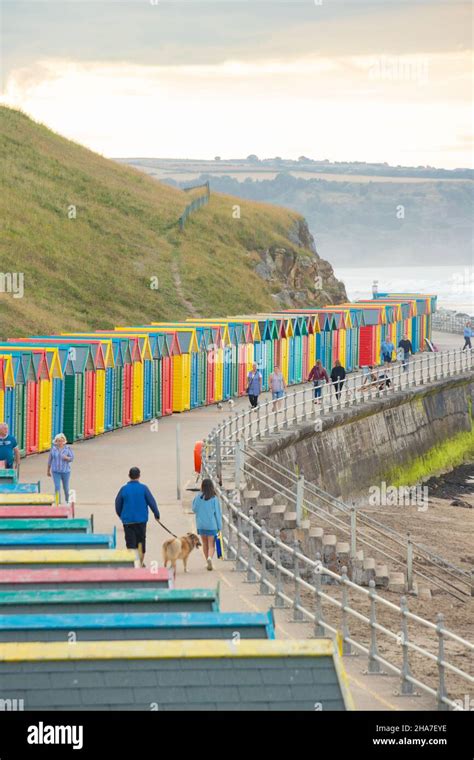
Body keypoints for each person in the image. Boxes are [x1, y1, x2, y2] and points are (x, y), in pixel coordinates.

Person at [115, 467, 160, 566]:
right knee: (141, 543)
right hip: (141, 521)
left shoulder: (123, 489)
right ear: (139, 476)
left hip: (128, 521)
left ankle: (133, 564)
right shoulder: (144, 488)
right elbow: (152, 502)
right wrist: (156, 514)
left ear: (129, 476)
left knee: (130, 544)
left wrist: (122, 516)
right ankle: (140, 563)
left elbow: (117, 504)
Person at [192, 478, 223, 571]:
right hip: (211, 525)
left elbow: (194, 509)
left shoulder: (198, 497)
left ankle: (207, 561)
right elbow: (217, 514)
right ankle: (210, 558)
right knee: (211, 545)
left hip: (201, 525)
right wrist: (219, 527)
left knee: (204, 544)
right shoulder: (214, 499)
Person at [47, 433, 74, 503]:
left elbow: (72, 458)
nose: (60, 442)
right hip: (55, 471)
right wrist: (48, 471)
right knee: (57, 487)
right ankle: (57, 502)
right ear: (56, 441)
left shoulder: (68, 449)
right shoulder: (53, 449)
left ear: (64, 441)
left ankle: (67, 501)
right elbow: (50, 460)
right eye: (58, 441)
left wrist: (67, 458)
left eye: (61, 441)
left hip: (66, 471)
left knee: (66, 488)